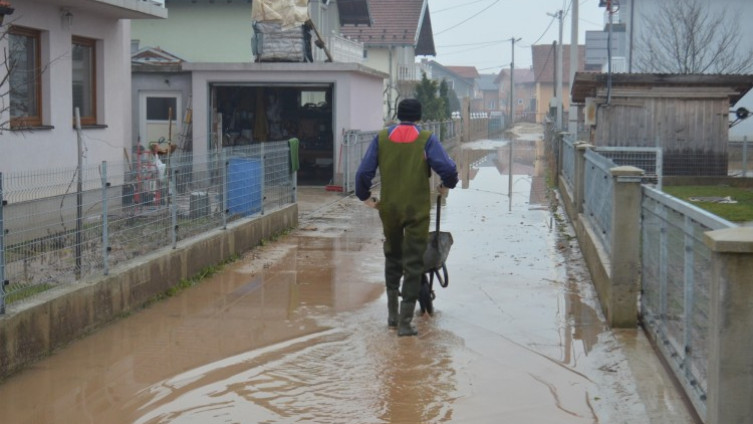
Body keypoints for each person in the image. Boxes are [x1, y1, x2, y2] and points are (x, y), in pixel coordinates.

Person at [355, 98, 459, 337]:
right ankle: (405, 323)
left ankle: (391, 318)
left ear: (398, 115)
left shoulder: (381, 138)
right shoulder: (426, 139)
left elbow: (364, 172)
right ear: (419, 117)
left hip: (389, 208)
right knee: (413, 262)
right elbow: (448, 168)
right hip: (416, 210)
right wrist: (447, 184)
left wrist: (365, 196)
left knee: (392, 256)